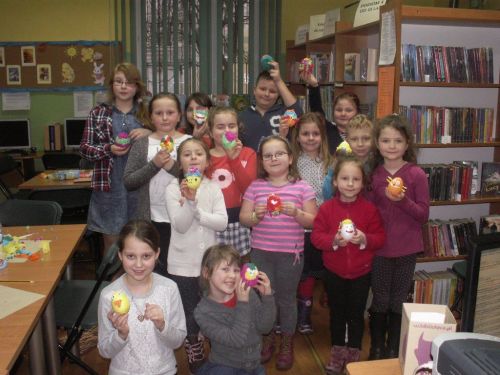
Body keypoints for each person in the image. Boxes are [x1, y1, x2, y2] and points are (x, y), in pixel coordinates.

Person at [239, 135, 317, 370]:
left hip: (290, 255)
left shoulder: (302, 187)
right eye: (268, 155)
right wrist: (256, 216)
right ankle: (268, 336)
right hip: (261, 252)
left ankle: (286, 341)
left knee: (286, 299)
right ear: (262, 161)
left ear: (290, 158)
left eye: (279, 154)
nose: (274, 159)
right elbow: (244, 218)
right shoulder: (256, 186)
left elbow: (313, 221)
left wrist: (296, 213)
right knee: (265, 296)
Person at [311, 156, 385, 374]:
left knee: (356, 314)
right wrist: (333, 241)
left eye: (356, 179)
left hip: (361, 273)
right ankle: (337, 351)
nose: (350, 184)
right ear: (335, 181)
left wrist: (365, 239)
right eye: (345, 178)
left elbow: (380, 237)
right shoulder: (326, 209)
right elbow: (316, 237)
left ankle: (353, 351)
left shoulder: (369, 209)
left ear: (363, 183)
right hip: (334, 272)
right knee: (337, 313)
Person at [367, 114, 429, 360]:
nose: (391, 146)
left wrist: (402, 199)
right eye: (386, 140)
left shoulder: (416, 174)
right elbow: (368, 212)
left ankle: (393, 347)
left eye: (397, 141)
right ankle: (376, 347)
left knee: (398, 300)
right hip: (380, 248)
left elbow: (423, 214)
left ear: (407, 144)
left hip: (406, 249)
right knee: (380, 300)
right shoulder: (374, 174)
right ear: (377, 143)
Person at [165, 138, 228, 373]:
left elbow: (221, 223)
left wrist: (195, 208)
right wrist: (189, 203)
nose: (193, 158)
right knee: (189, 309)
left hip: (210, 264)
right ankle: (193, 343)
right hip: (182, 263)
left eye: (198, 154)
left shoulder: (213, 187)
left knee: (211, 306)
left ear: (207, 161)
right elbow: (180, 226)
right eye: (187, 154)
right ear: (179, 162)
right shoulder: (172, 188)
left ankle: (215, 341)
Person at [98, 220, 186, 375]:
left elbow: (178, 341)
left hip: (164, 371)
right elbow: (105, 351)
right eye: (131, 256)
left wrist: (162, 325)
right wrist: (120, 334)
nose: (138, 264)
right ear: (120, 255)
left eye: (146, 256)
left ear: (157, 253)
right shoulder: (109, 295)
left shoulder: (169, 288)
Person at [80, 62, 152, 252]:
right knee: (112, 246)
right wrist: (108, 148)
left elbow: (166, 143)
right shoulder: (98, 113)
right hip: (109, 188)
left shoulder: (148, 114)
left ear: (137, 87)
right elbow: (85, 149)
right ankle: (112, 282)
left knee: (139, 245)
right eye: (118, 82)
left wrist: (149, 133)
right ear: (112, 85)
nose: (123, 86)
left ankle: (136, 282)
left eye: (129, 82)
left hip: (141, 189)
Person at [123, 93, 190, 276]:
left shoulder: (189, 142)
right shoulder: (142, 144)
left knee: (181, 271)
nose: (165, 117)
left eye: (170, 112)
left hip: (183, 218)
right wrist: (154, 165)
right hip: (152, 218)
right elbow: (129, 181)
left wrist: (170, 166)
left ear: (179, 115)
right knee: (157, 270)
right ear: (151, 116)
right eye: (159, 113)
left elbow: (195, 178)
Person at [194, 244, 276, 375]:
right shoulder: (202, 312)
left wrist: (267, 297)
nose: (232, 275)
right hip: (224, 366)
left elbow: (265, 327)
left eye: (236, 270)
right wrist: (242, 303)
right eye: (225, 269)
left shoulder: (248, 294)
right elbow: (236, 340)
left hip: (254, 364)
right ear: (206, 273)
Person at [289, 112, 333, 334]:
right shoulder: (292, 162)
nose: (310, 138)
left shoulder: (330, 162)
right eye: (305, 133)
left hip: (324, 226)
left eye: (315, 133)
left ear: (322, 137)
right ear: (297, 137)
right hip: (300, 226)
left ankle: (324, 301)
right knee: (304, 272)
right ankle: (304, 313)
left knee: (322, 268)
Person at [206, 106, 257, 258]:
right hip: (212, 221)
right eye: (220, 127)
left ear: (237, 129)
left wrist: (233, 158)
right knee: (214, 265)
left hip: (239, 220)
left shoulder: (248, 154)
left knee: (240, 264)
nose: (226, 131)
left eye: (231, 126)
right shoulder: (205, 158)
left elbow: (249, 190)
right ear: (210, 132)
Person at [239, 61, 303, 152]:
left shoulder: (284, 113)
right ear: (254, 90)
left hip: (278, 164)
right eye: (262, 89)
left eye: (272, 91)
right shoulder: (242, 116)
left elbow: (298, 112)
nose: (267, 94)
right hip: (251, 165)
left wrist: (278, 81)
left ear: (279, 95)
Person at [299, 71, 360, 154]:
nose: (343, 114)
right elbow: (316, 109)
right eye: (338, 110)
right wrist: (314, 86)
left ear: (357, 112)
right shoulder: (327, 129)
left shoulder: (362, 132)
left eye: (348, 110)